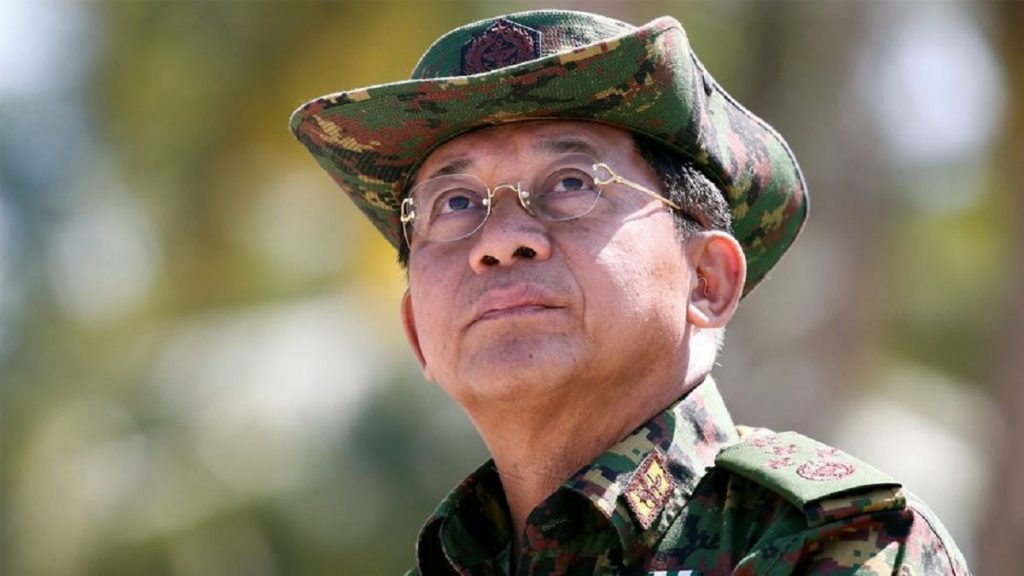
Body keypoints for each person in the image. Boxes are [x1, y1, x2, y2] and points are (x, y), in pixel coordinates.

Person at [290, 9, 970, 575]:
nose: (500, 240)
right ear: (417, 331)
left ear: (707, 280)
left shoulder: (834, 547)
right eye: (455, 203)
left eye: (571, 183)